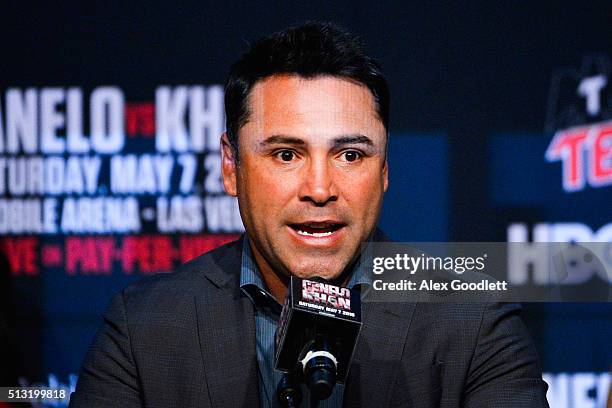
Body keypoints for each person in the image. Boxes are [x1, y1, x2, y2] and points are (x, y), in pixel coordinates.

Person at [69, 22, 549, 407]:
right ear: (231, 167)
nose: (320, 190)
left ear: (384, 170)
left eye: (350, 156)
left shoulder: (474, 321)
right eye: (285, 154)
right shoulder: (145, 327)